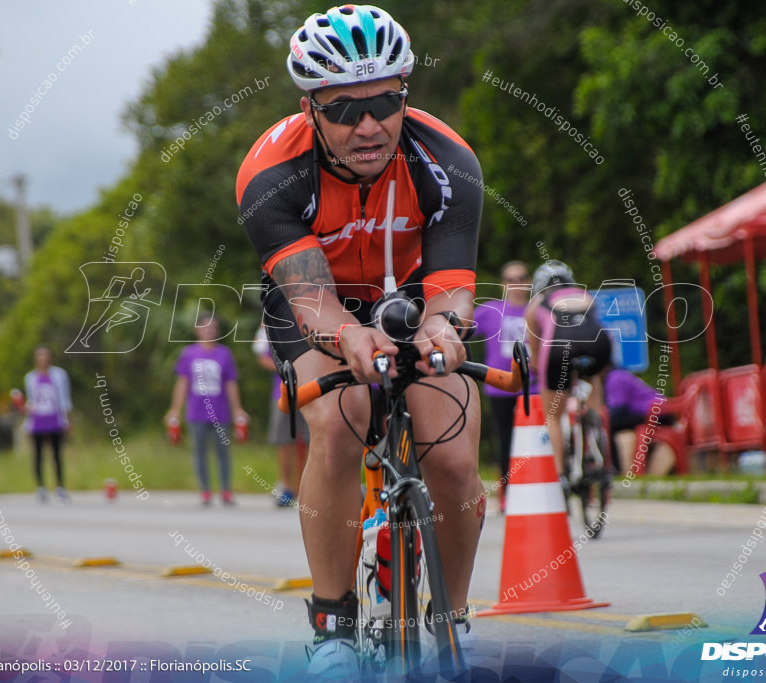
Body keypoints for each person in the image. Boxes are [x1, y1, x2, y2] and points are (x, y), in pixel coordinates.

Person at [237, 4, 484, 675]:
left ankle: (451, 618)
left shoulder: (448, 159)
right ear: (309, 108)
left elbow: (453, 285)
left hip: (411, 296)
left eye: (383, 102)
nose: (368, 125)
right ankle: (333, 624)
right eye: (344, 109)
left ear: (404, 94)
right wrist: (349, 334)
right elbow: (312, 298)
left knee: (456, 460)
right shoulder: (270, 175)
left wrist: (441, 326)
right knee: (341, 425)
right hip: (317, 302)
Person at [525, 260, 612, 479]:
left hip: (558, 346)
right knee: (593, 380)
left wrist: (536, 370)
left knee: (552, 415)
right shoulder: (585, 294)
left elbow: (535, 350)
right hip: (598, 343)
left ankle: (561, 474)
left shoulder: (537, 302)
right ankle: (596, 432)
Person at [165, 314, 249, 506]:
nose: (210, 331)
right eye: (206, 327)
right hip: (196, 411)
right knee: (200, 452)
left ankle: (226, 490)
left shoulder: (224, 354)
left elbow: (231, 383)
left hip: (221, 412)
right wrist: (175, 409)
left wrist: (237, 409)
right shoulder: (188, 354)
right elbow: (182, 382)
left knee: (223, 452)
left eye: (213, 327)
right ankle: (205, 491)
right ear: (198, 330)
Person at [473, 260, 536, 513]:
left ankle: (535, 489)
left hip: (533, 386)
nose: (517, 284)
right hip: (500, 386)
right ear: (503, 284)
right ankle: (507, 494)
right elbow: (459, 331)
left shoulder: (538, 310)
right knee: (507, 439)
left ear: (529, 282)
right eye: (511, 279)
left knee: (534, 441)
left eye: (521, 278)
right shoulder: (491, 311)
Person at [253, 324, 309, 506]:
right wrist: (286, 369)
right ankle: (286, 488)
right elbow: (262, 357)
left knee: (312, 441)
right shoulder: (268, 325)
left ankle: (306, 488)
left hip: (310, 390)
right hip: (281, 392)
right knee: (284, 442)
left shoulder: (308, 319)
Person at [605, 367, 676, 476]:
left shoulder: (615, 377)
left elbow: (618, 411)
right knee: (612, 424)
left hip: (657, 413)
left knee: (610, 424)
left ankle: (618, 470)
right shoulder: (618, 375)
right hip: (658, 411)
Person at [24, 345, 72, 502]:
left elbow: (65, 398)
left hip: (55, 419)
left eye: (46, 355)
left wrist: (68, 420)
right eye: (40, 356)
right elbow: (32, 400)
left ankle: (60, 487)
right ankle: (41, 488)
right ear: (36, 359)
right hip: (37, 421)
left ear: (50, 358)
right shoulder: (30, 377)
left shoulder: (59, 375)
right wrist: (24, 408)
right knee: (37, 456)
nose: (43, 359)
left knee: (57, 455)